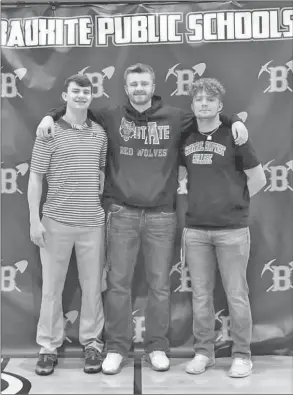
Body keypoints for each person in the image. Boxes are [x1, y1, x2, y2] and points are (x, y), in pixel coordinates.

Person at [35, 63, 249, 375]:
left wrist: (234, 123)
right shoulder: (110, 115)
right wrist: (48, 115)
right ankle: (117, 348)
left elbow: (209, 116)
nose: (139, 89)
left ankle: (157, 346)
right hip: (122, 212)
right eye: (133, 84)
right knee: (119, 284)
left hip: (162, 214)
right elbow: (74, 109)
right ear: (126, 87)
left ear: (152, 86)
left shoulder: (176, 116)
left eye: (144, 84)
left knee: (160, 285)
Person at [180, 78, 266, 378]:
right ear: (192, 106)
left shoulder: (235, 135)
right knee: (201, 296)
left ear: (220, 105)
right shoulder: (186, 136)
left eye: (210, 99)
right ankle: (204, 352)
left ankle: (242, 355)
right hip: (196, 231)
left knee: (236, 294)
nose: (204, 103)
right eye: (199, 99)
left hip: (232, 230)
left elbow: (258, 179)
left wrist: (235, 204)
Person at [27, 74, 107, 376]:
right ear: (65, 95)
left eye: (86, 92)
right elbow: (34, 178)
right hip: (55, 222)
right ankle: (48, 347)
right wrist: (35, 220)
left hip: (92, 223)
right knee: (51, 289)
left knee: (92, 288)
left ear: (91, 96)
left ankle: (92, 343)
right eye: (75, 91)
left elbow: (99, 174)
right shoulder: (48, 132)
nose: (81, 96)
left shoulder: (100, 133)